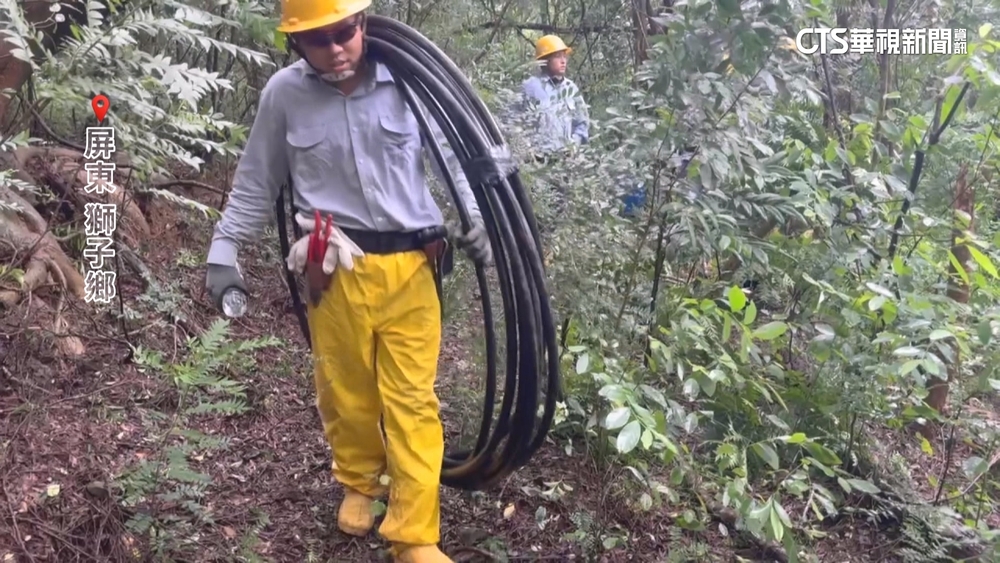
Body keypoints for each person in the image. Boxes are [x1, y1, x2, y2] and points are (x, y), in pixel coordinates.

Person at [202, 1, 491, 561]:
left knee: (412, 400)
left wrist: (475, 217)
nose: (335, 49)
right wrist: (223, 250)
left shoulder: (408, 82)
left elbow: (455, 160)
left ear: (362, 24)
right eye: (318, 39)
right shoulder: (284, 95)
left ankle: (414, 536)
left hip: (411, 265)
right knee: (346, 390)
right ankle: (361, 479)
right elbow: (257, 180)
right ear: (296, 43)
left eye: (344, 32)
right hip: (334, 267)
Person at [518, 34, 590, 157]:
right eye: (557, 56)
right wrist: (525, 148)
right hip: (537, 161)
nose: (563, 61)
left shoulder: (571, 88)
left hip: (566, 161)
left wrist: (574, 145)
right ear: (545, 60)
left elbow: (582, 123)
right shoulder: (529, 87)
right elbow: (512, 122)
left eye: (564, 56)